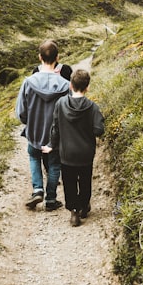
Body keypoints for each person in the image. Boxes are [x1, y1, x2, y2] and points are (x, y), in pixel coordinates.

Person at [42, 68, 104, 227]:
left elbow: (55, 128)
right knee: (85, 181)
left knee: (69, 182)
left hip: (67, 154)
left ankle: (74, 212)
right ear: (87, 87)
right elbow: (99, 130)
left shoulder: (61, 104)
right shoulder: (93, 107)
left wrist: (51, 145)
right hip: (85, 154)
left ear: (70, 85)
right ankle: (84, 206)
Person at [16, 40, 71, 211]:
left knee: (34, 157)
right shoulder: (65, 85)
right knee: (54, 164)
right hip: (55, 133)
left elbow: (20, 112)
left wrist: (30, 122)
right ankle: (51, 199)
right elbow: (68, 110)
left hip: (34, 130)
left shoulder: (28, 82)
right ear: (58, 57)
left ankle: (37, 190)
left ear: (39, 57)